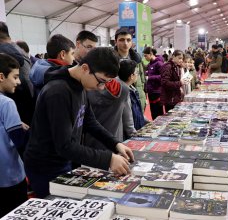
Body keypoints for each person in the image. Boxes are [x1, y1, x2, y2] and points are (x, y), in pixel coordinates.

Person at [24, 47, 134, 198]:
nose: (101, 88)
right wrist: (108, 159)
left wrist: (115, 144)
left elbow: (90, 121)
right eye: (101, 81)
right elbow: (65, 145)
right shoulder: (58, 92)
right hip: (45, 166)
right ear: (84, 68)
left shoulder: (80, 85)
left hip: (63, 160)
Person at [0, 53, 30, 217]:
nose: (18, 82)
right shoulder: (7, 103)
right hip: (11, 178)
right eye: (16, 77)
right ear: (1, 76)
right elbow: (20, 141)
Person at [114, 28, 146, 112]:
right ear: (115, 42)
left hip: (137, 102)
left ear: (132, 42)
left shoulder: (137, 59)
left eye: (128, 40)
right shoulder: (110, 60)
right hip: (119, 104)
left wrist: (143, 98)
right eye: (121, 40)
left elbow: (142, 81)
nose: (125, 43)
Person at [118, 60, 146, 130]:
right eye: (136, 73)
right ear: (131, 76)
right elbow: (128, 120)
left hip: (137, 128)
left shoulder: (132, 89)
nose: (137, 75)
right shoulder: (124, 92)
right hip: (132, 133)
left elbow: (138, 112)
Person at [143, 46, 164, 120]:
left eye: (146, 56)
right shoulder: (149, 65)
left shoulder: (159, 64)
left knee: (159, 114)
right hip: (151, 92)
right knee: (153, 114)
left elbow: (162, 77)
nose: (145, 57)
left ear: (151, 54)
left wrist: (149, 78)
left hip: (157, 92)